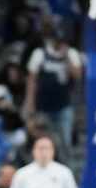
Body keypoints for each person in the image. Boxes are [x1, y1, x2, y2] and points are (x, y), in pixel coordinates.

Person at [25, 29, 83, 162]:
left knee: (65, 144)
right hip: (43, 105)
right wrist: (30, 103)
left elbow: (78, 75)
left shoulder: (71, 53)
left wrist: (66, 57)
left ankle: (68, 173)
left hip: (63, 105)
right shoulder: (40, 53)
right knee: (42, 142)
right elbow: (31, 79)